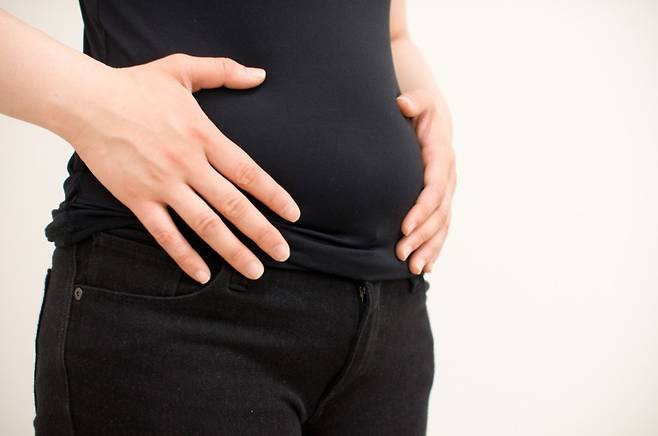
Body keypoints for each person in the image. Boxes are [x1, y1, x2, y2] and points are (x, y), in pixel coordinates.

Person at [1, 0, 456, 434]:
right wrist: (94, 102)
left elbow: (392, 33)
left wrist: (432, 112)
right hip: (184, 306)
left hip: (389, 312)